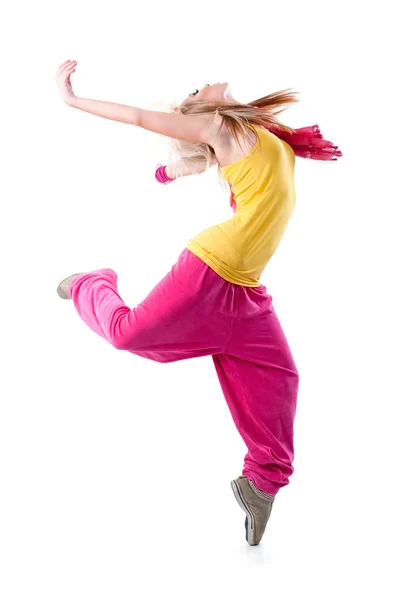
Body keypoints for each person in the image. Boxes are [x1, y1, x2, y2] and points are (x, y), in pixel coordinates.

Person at [55, 60, 342, 546]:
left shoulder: (250, 128)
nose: (208, 76)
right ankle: (91, 282)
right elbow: (142, 117)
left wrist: (170, 171)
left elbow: (193, 162)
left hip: (246, 286)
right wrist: (71, 100)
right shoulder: (216, 124)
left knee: (278, 377)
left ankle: (261, 484)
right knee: (128, 334)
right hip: (211, 268)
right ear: (199, 105)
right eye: (195, 86)